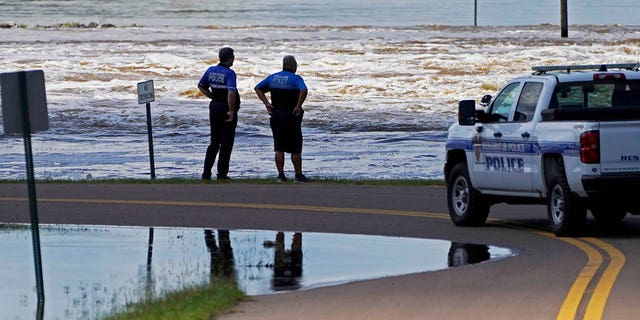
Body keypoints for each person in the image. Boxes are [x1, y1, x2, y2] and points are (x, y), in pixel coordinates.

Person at [254, 55, 310, 182]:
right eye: (295, 65)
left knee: (279, 146)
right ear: (291, 65)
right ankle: (298, 175)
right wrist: (298, 105)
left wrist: (267, 103)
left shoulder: (273, 77)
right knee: (295, 146)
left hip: (276, 115)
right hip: (291, 115)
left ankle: (280, 175)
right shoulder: (296, 78)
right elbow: (304, 90)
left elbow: (258, 88)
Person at [197, 47, 240, 180]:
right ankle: (222, 174)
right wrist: (231, 111)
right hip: (225, 109)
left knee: (214, 141)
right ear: (230, 58)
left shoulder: (210, 70)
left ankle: (206, 173)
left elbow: (201, 85)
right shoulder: (230, 73)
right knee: (227, 142)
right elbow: (231, 93)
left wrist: (212, 97)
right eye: (233, 56)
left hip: (214, 107)